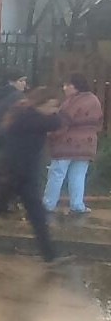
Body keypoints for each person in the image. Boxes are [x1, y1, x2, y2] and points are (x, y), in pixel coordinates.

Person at [0, 87, 70, 266]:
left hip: (25, 174)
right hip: (10, 173)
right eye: (52, 105)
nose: (54, 110)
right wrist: (58, 113)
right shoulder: (29, 117)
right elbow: (57, 122)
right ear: (41, 103)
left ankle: (50, 256)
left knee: (37, 213)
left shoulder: (28, 114)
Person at [43, 73, 103, 217]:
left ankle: (48, 204)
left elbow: (62, 124)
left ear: (75, 86)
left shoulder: (72, 102)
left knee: (57, 173)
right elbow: (99, 124)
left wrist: (49, 135)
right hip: (87, 144)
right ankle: (77, 205)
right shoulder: (94, 99)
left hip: (67, 144)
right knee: (78, 175)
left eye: (67, 85)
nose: (64, 88)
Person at [0, 68, 28, 151]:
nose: (24, 84)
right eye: (21, 81)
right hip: (14, 140)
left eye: (25, 80)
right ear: (11, 82)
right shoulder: (19, 97)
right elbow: (25, 119)